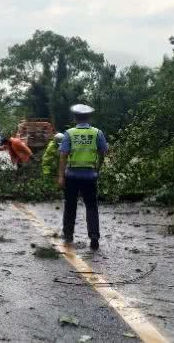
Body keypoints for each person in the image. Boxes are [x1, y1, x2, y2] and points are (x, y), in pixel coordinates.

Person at [58, 104, 108, 250]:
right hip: (90, 176)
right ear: (89, 117)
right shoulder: (97, 133)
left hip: (72, 176)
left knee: (70, 206)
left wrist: (61, 176)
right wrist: (97, 169)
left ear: (75, 118)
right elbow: (103, 153)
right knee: (92, 206)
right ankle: (94, 237)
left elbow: (63, 156)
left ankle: (68, 235)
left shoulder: (69, 133)